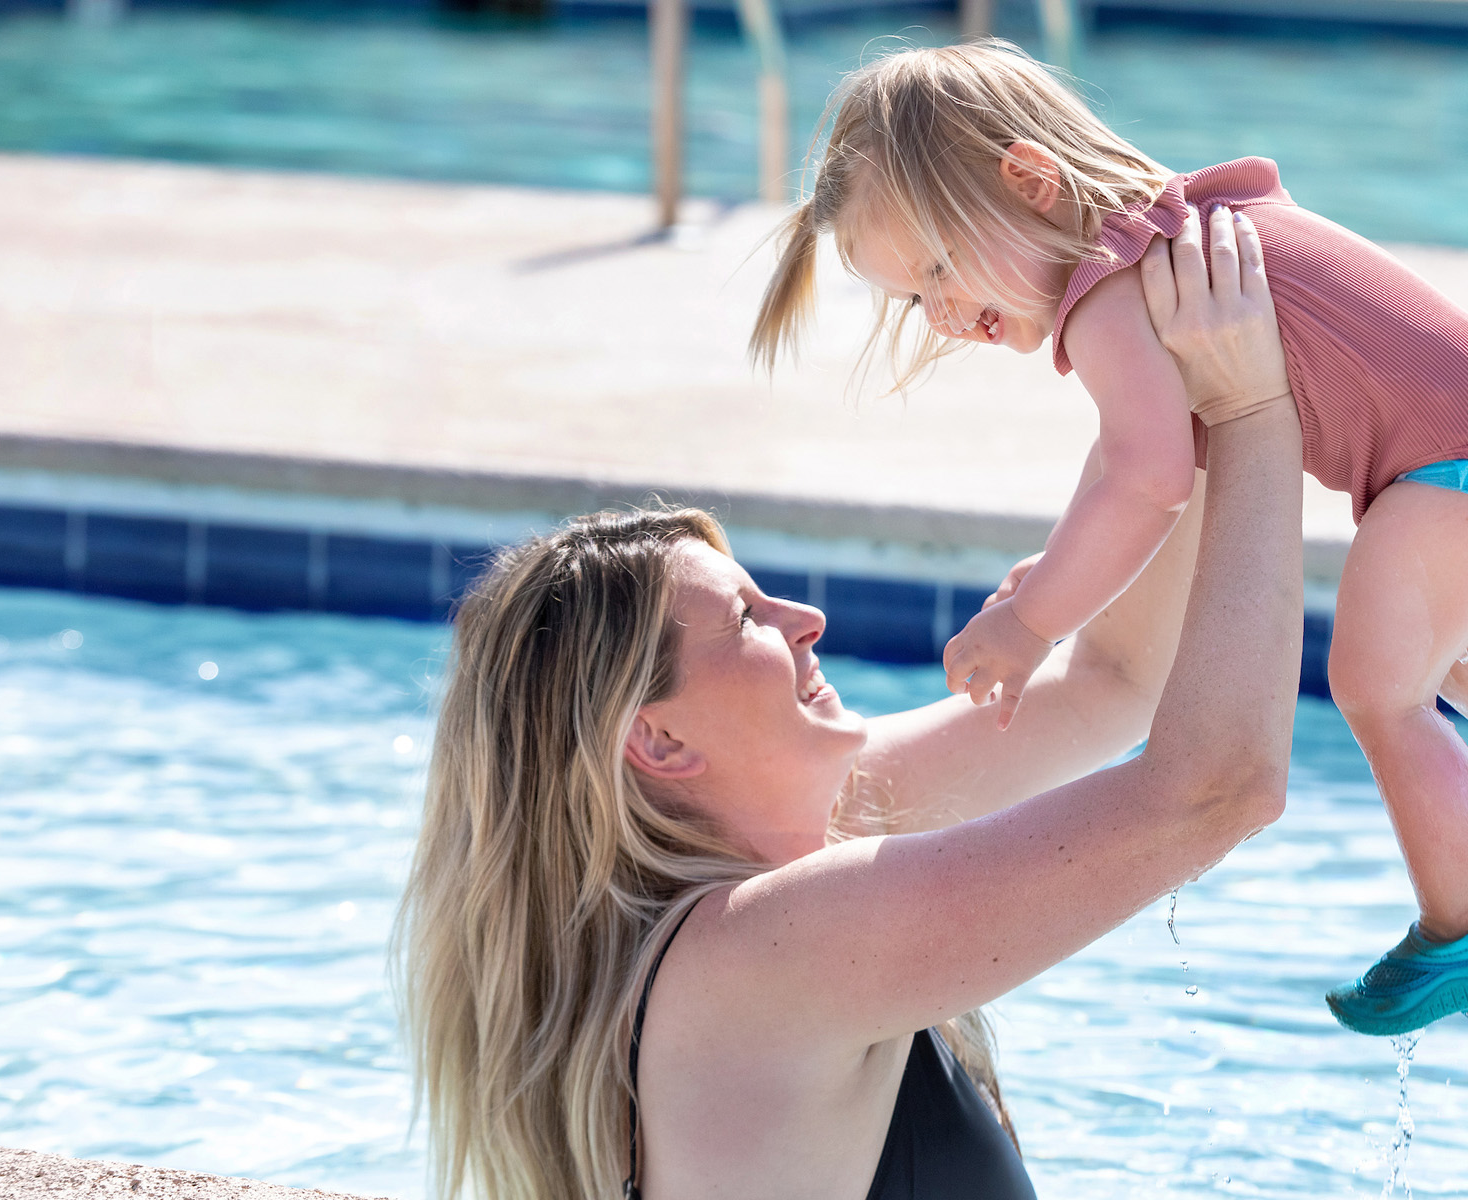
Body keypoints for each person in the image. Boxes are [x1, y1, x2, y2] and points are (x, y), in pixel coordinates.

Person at [747, 40, 1468, 1036]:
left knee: (1381, 689)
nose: (937, 314)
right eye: (912, 296)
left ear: (1029, 181)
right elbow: (1142, 466)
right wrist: (1065, 573)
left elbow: (1146, 478)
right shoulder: (1171, 237)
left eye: (936, 268)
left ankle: (1464, 933)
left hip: (1453, 468)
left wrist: (1031, 621)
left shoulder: (1110, 292)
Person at [393, 214, 1301, 1200]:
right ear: (656, 737)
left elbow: (1109, 683)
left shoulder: (790, 869)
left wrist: (1175, 391)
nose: (808, 619)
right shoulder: (766, 951)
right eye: (747, 618)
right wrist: (1255, 410)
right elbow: (1217, 791)